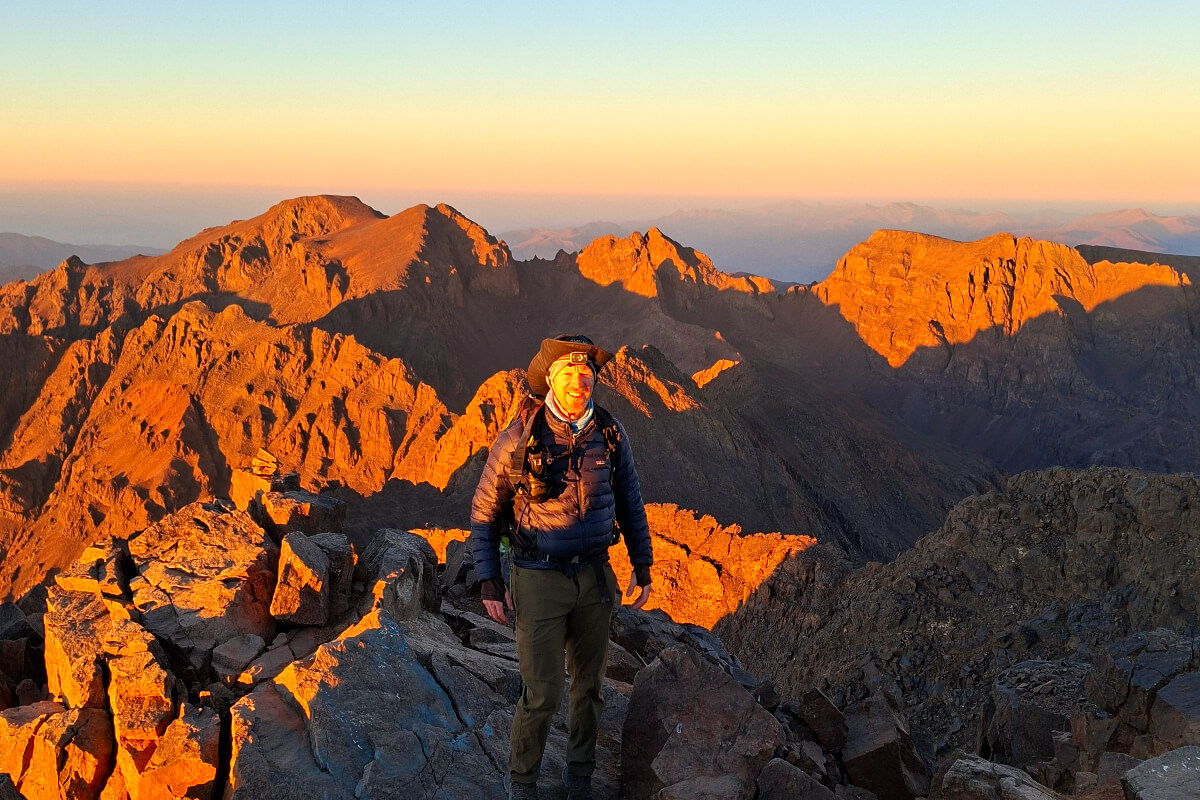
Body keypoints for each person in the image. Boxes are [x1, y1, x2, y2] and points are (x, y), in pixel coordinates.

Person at [471, 334, 654, 800]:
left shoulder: (610, 434)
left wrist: (642, 563)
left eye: (587, 373)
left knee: (590, 688)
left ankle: (580, 778)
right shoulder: (518, 438)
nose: (580, 380)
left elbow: (630, 501)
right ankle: (524, 783)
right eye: (569, 372)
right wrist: (490, 581)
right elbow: (485, 512)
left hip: (594, 576)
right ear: (550, 379)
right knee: (543, 693)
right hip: (538, 578)